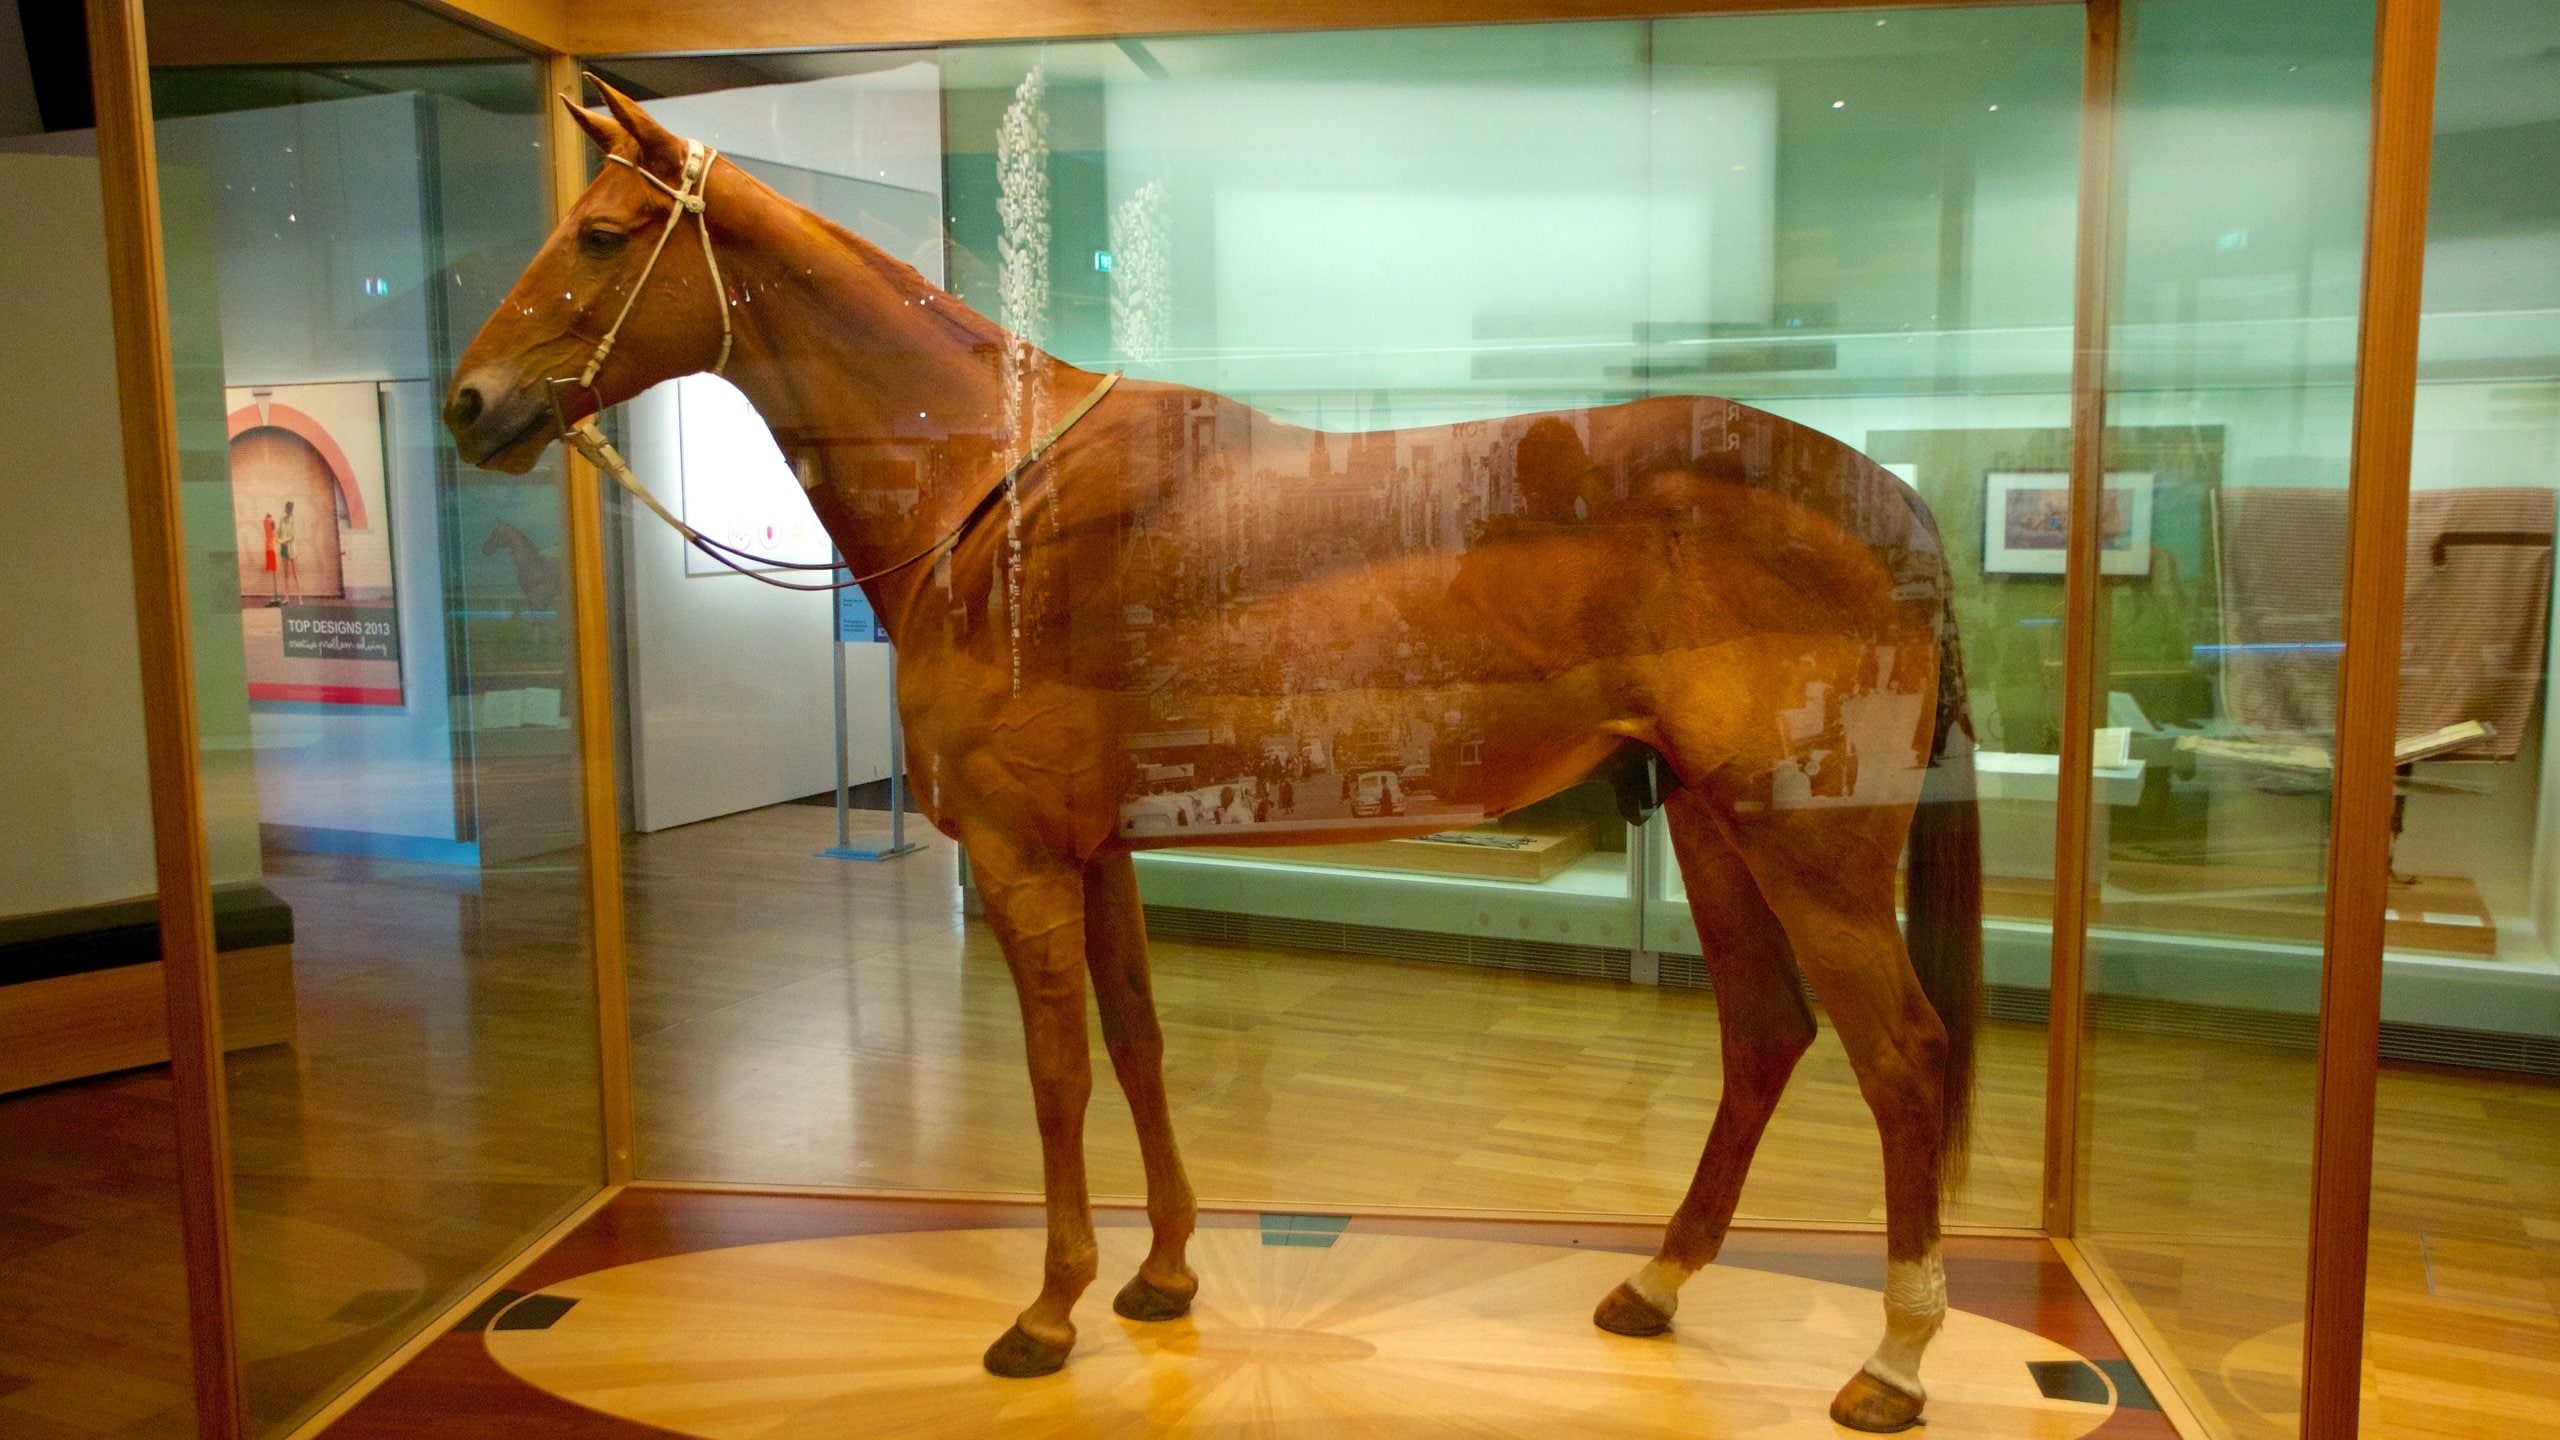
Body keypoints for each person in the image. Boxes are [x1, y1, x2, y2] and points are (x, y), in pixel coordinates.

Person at [276, 500, 301, 606]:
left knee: (295, 573)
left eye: (289, 511)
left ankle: (300, 597)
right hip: (284, 549)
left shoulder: (293, 521)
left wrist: (282, 540)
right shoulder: (282, 520)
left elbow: (292, 536)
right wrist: (278, 538)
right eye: (286, 511)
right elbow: (279, 532)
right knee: (286, 575)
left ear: (291, 511)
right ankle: (287, 597)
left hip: (292, 549)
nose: (287, 513)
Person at [261, 512, 280, 607]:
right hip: (272, 548)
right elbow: (274, 533)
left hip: (267, 547)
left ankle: (274, 596)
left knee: (271, 571)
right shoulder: (272, 522)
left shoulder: (264, 522)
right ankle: (275, 597)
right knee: (273, 572)